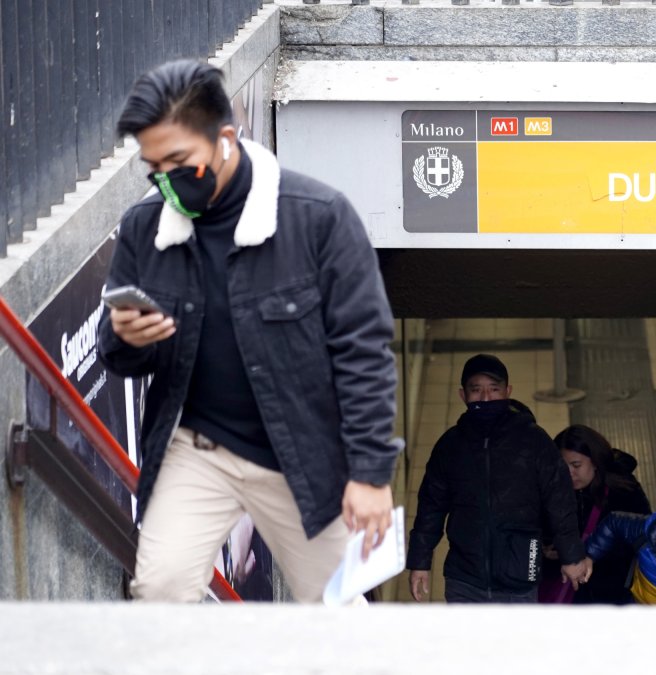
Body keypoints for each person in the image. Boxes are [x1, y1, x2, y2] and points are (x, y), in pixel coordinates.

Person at [98, 60, 398, 602]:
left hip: (302, 454)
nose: (165, 178)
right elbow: (115, 354)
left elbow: (365, 353)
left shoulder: (318, 218)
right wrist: (126, 337)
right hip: (198, 450)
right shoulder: (146, 227)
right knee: (158, 587)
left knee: (339, 610)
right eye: (153, 167)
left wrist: (371, 473)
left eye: (178, 161)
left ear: (226, 140)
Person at [407, 354, 591, 603]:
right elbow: (431, 505)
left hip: (520, 573)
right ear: (463, 395)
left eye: (494, 390)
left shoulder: (534, 441)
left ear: (508, 392)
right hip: (464, 578)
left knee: (516, 643)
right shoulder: (451, 445)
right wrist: (420, 561)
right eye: (476, 390)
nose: (485, 398)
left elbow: (559, 500)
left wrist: (571, 556)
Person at [540, 425, 652, 604]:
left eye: (576, 465)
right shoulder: (551, 488)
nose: (569, 473)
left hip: (608, 590)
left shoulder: (624, 491)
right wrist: (544, 550)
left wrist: (588, 553)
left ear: (595, 461)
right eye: (562, 465)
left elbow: (641, 537)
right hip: (562, 588)